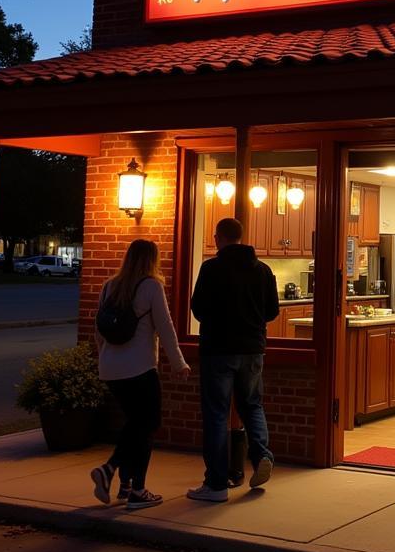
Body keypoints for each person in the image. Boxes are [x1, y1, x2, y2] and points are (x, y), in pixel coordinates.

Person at [90, 239, 190, 510]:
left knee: (134, 423)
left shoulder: (110, 286)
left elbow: (98, 330)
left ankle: (124, 484)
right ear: (152, 260)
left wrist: (104, 358)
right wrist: (179, 363)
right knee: (147, 425)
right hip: (140, 368)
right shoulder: (151, 286)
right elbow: (166, 328)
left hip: (111, 369)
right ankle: (133, 486)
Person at [187, 217, 279, 502]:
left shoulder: (211, 268)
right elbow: (272, 310)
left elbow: (198, 307)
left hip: (218, 349)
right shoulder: (263, 270)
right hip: (253, 349)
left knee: (216, 413)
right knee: (252, 405)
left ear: (218, 238)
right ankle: (262, 455)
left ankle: (216, 484)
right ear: (241, 237)